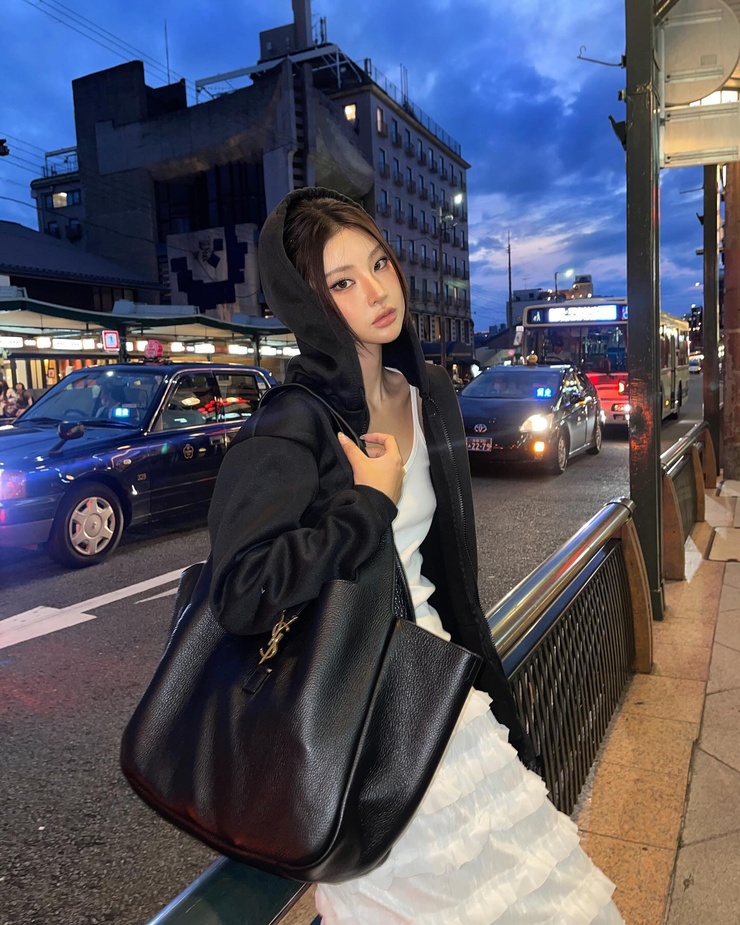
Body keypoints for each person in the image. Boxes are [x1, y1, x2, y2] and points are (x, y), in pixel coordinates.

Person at [207, 188, 623, 924]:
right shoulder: (294, 421)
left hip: (442, 695)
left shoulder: (425, 393)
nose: (377, 292)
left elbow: (447, 577)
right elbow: (241, 590)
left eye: (378, 264)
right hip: (363, 727)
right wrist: (368, 504)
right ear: (308, 304)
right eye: (342, 282)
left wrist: (490, 688)